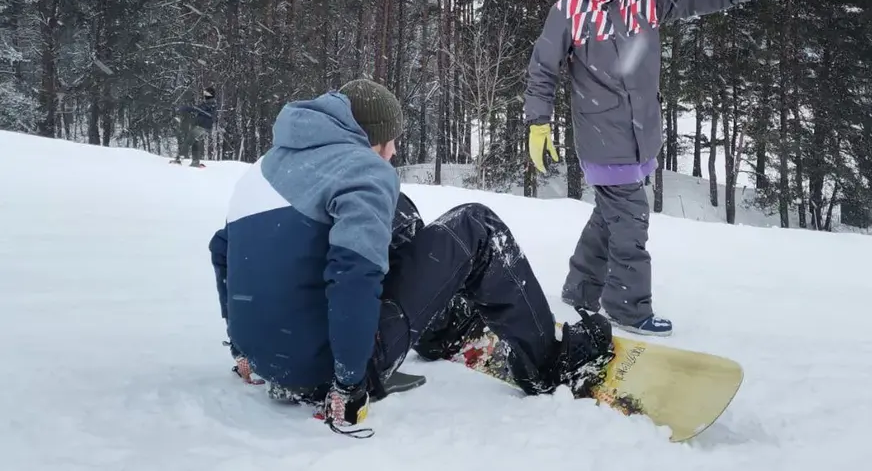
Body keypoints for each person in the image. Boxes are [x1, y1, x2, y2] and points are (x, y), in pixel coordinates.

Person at [208, 79, 613, 435]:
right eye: (392, 139)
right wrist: (349, 384)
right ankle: (549, 365)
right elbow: (352, 274)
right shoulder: (362, 170)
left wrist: (244, 349)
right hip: (328, 370)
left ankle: (441, 328)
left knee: (397, 210)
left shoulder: (265, 168)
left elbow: (222, 251)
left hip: (269, 358)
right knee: (476, 226)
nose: (396, 150)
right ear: (371, 138)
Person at [525, 0, 811, 336]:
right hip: (601, 133)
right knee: (630, 218)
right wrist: (539, 121)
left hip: (641, 132)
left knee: (612, 215)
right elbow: (543, 67)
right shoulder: (569, 9)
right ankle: (626, 307)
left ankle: (581, 289)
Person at [173, 87, 217, 167]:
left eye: (206, 94)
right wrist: (186, 108)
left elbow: (201, 111)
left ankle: (179, 159)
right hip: (201, 126)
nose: (205, 95)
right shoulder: (206, 103)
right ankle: (195, 162)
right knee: (195, 142)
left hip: (203, 127)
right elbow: (196, 109)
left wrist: (187, 108)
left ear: (210, 94)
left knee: (188, 141)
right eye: (204, 93)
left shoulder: (211, 104)